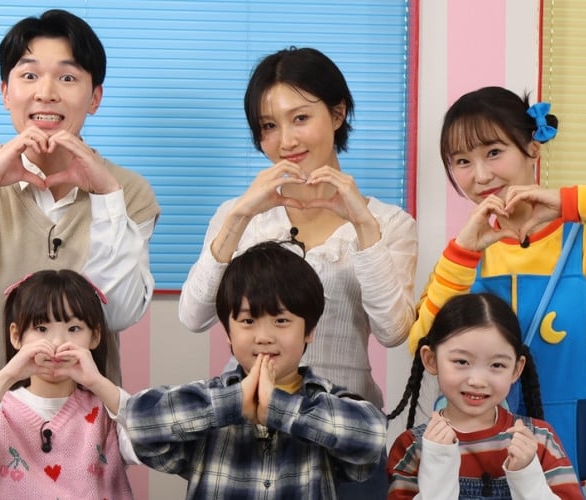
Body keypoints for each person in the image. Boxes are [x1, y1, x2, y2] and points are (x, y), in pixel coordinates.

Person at [0, 9, 159, 499]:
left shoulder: (128, 191)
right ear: (5, 91)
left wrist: (107, 200)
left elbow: (118, 313)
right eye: (30, 75)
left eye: (68, 77)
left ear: (95, 97)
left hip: (87, 469)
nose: (46, 92)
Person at [407, 86, 586, 499]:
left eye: (494, 152)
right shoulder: (463, 255)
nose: (480, 175)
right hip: (473, 442)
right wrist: (463, 253)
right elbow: (420, 347)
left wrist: (568, 202)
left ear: (533, 147)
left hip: (574, 435)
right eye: (462, 161)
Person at [177, 46, 416, 497]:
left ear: (338, 113)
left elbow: (393, 331)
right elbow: (193, 316)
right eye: (269, 126)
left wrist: (363, 225)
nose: (285, 140)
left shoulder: (390, 223)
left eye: (300, 118)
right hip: (248, 434)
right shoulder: (239, 215)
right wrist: (240, 215)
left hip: (342, 436)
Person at [126, 241, 388, 499]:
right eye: (248, 320)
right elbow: (138, 423)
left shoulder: (327, 401)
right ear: (228, 333)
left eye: (281, 321)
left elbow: (372, 438)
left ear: (309, 331)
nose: (263, 337)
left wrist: (278, 408)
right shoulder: (210, 398)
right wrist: (234, 402)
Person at [0, 269, 139, 499]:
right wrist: (7, 376)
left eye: (74, 329)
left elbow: (154, 438)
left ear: (95, 337)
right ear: (16, 336)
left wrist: (99, 384)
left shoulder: (107, 413)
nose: (57, 342)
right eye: (41, 328)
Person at [387, 293, 582, 499]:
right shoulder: (412, 447)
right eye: (462, 362)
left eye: (497, 365)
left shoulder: (540, 440)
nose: (478, 381)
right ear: (431, 359)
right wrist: (438, 464)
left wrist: (527, 476)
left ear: (516, 369)